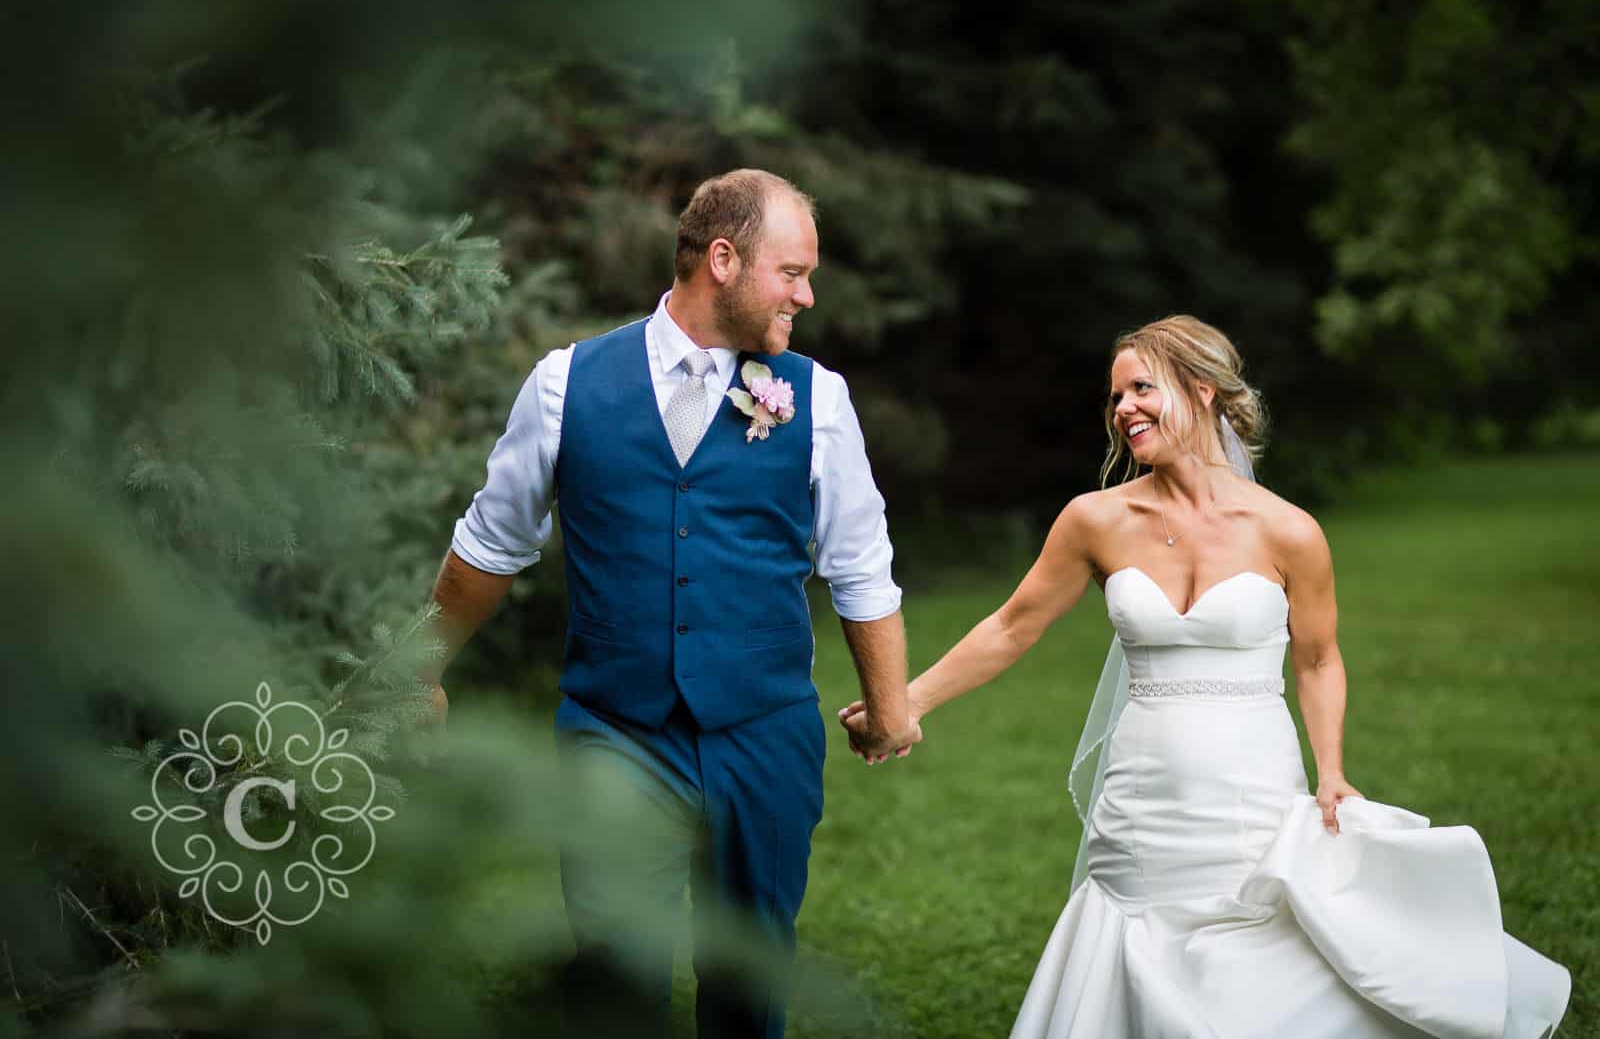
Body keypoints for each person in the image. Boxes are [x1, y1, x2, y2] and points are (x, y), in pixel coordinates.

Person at [841, 315, 1570, 1038]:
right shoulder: (1095, 520)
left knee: (1252, 970)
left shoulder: (1289, 530)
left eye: (1140, 388)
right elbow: (1011, 625)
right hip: (1139, 799)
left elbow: (1318, 658)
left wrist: (1333, 771)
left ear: (1203, 390)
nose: (1122, 407)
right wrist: (900, 704)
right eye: (1115, 395)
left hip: (1249, 790)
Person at [427, 168, 921, 1038]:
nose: (806, 295)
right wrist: (418, 668)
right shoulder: (564, 384)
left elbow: (860, 565)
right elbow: (491, 543)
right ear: (723, 259)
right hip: (616, 730)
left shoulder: (818, 397)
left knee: (748, 981)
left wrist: (890, 709)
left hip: (763, 735)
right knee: (614, 973)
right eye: (793, 272)